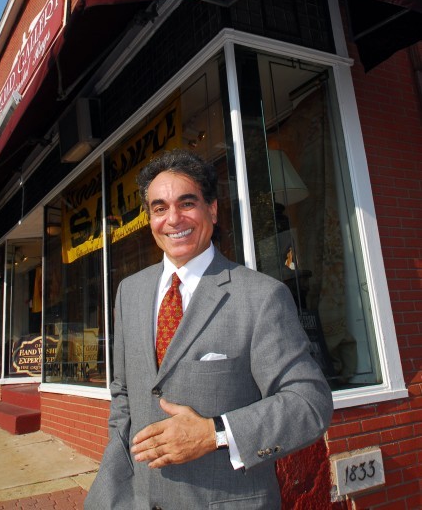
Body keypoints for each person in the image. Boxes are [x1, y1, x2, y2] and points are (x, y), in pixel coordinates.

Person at [85, 149, 333, 510]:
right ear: (149, 218)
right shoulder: (130, 292)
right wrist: (109, 493)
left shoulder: (261, 296)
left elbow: (309, 403)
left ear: (212, 210)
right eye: (159, 207)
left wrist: (215, 433)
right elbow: (124, 396)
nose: (173, 219)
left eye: (187, 203)